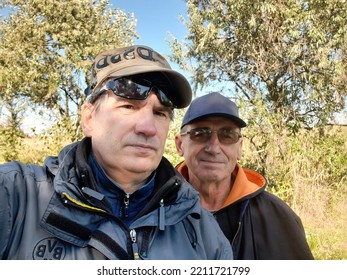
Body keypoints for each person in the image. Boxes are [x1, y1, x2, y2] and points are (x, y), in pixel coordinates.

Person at [0, 46, 233, 260]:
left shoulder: (200, 227)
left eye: (160, 113)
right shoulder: (16, 196)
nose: (148, 127)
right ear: (89, 118)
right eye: (128, 106)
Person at [175, 92, 314, 260]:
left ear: (239, 147)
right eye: (200, 133)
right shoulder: (154, 211)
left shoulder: (278, 217)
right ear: (180, 144)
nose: (214, 148)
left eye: (227, 135)